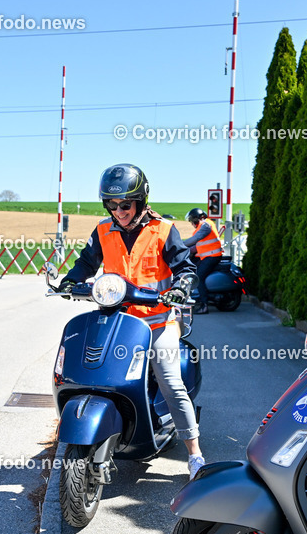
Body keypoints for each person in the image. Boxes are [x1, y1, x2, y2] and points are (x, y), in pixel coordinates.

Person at [59, 164, 206, 478]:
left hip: (159, 321)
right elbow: (86, 263)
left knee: (168, 379)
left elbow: (185, 267)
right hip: (118, 320)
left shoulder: (164, 229)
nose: (119, 210)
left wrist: (180, 288)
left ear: (140, 201)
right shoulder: (102, 231)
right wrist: (70, 281)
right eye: (112, 204)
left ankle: (194, 453)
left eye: (125, 204)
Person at [182, 207, 223, 314]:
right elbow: (196, 245)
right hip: (207, 256)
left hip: (213, 256)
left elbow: (195, 239)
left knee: (198, 277)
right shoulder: (201, 227)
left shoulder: (206, 225)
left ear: (198, 218)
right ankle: (197, 297)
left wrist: (179, 245)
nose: (192, 223)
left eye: (193, 220)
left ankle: (204, 306)